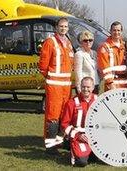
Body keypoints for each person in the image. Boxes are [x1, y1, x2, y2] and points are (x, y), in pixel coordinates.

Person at [39, 17, 74, 154]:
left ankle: (59, 142)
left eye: (65, 26)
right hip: (54, 85)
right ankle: (50, 146)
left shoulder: (68, 43)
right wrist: (50, 78)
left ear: (68, 28)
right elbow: (43, 65)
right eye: (61, 26)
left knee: (64, 114)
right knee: (52, 114)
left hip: (66, 85)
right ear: (56, 27)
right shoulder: (50, 42)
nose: (63, 28)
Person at [61, 77, 97, 167]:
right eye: (83, 87)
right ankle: (73, 149)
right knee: (81, 162)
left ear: (93, 88)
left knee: (105, 158)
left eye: (88, 87)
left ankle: (92, 154)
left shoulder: (99, 100)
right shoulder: (72, 103)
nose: (86, 89)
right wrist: (78, 135)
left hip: (96, 137)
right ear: (80, 87)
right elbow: (64, 124)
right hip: (79, 138)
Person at [97, 21, 127, 92]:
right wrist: (110, 83)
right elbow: (104, 67)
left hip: (125, 83)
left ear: (121, 31)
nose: (116, 32)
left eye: (118, 30)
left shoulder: (125, 46)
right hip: (111, 84)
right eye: (114, 30)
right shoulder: (104, 47)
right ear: (110, 31)